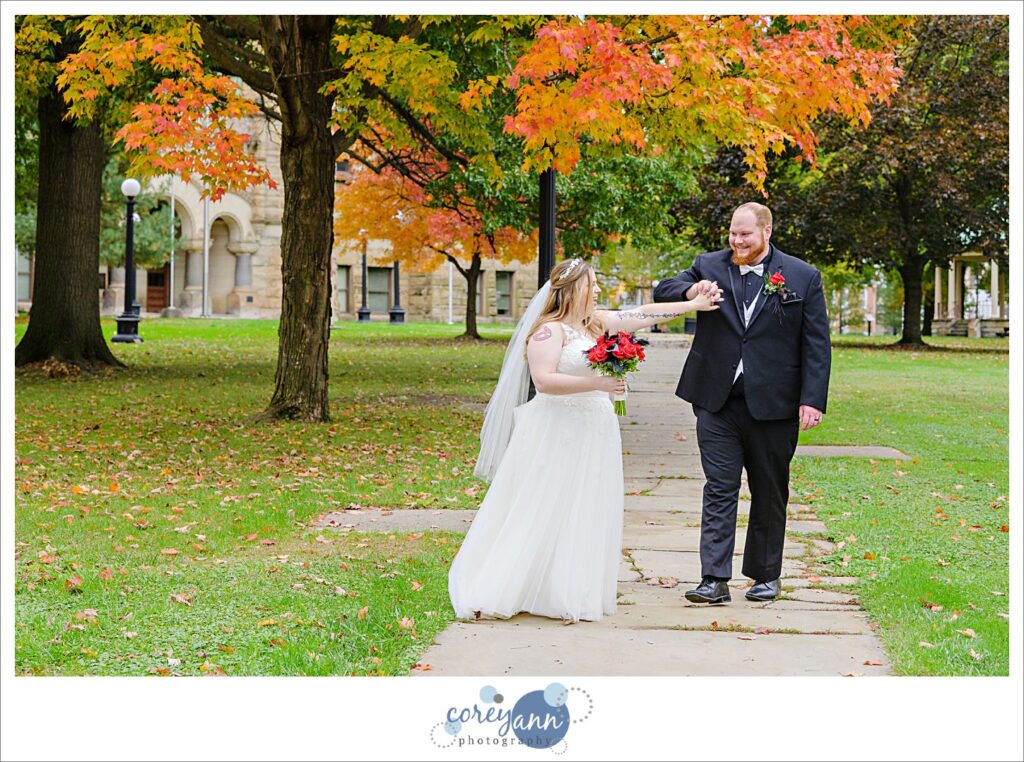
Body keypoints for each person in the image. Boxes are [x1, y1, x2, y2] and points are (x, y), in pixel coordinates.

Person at [448, 257, 721, 624]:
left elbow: (644, 314)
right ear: (574, 288)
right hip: (557, 430)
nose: (597, 290)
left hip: (595, 428)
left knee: (584, 505)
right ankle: (511, 584)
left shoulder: (595, 324)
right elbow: (544, 380)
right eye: (592, 284)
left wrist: (693, 305)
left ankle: (566, 590)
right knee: (545, 503)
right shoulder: (548, 331)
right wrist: (599, 383)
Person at [653, 202, 831, 604]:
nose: (737, 241)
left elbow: (817, 344)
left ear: (767, 231)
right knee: (719, 487)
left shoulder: (803, 276)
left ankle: (765, 576)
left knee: (769, 490)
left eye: (745, 234)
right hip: (716, 401)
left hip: (775, 404)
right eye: (733, 233)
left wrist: (812, 399)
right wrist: (691, 291)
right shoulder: (708, 266)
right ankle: (713, 579)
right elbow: (663, 290)